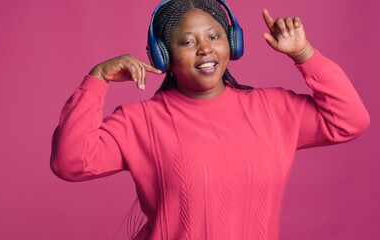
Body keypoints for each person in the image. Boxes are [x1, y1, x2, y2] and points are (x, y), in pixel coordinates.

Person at [50, 0, 370, 239]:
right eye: (188, 42)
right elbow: (71, 163)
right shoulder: (140, 122)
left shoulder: (273, 108)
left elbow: (349, 121)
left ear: (232, 43)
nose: (205, 49)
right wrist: (98, 79)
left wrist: (304, 55)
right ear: (163, 56)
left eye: (214, 37)